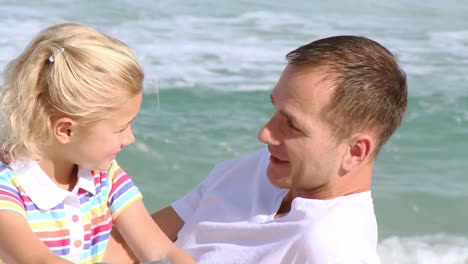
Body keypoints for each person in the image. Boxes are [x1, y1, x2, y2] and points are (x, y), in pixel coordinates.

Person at [108, 35, 408, 263]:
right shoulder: (256, 169)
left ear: (355, 151)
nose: (265, 133)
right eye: (275, 109)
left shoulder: (334, 246)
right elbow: (131, 245)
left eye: (292, 125)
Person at [0, 23, 194, 264]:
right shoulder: (9, 188)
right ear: (66, 129)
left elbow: (160, 251)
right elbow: (40, 260)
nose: (130, 138)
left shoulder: (106, 177)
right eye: (121, 129)